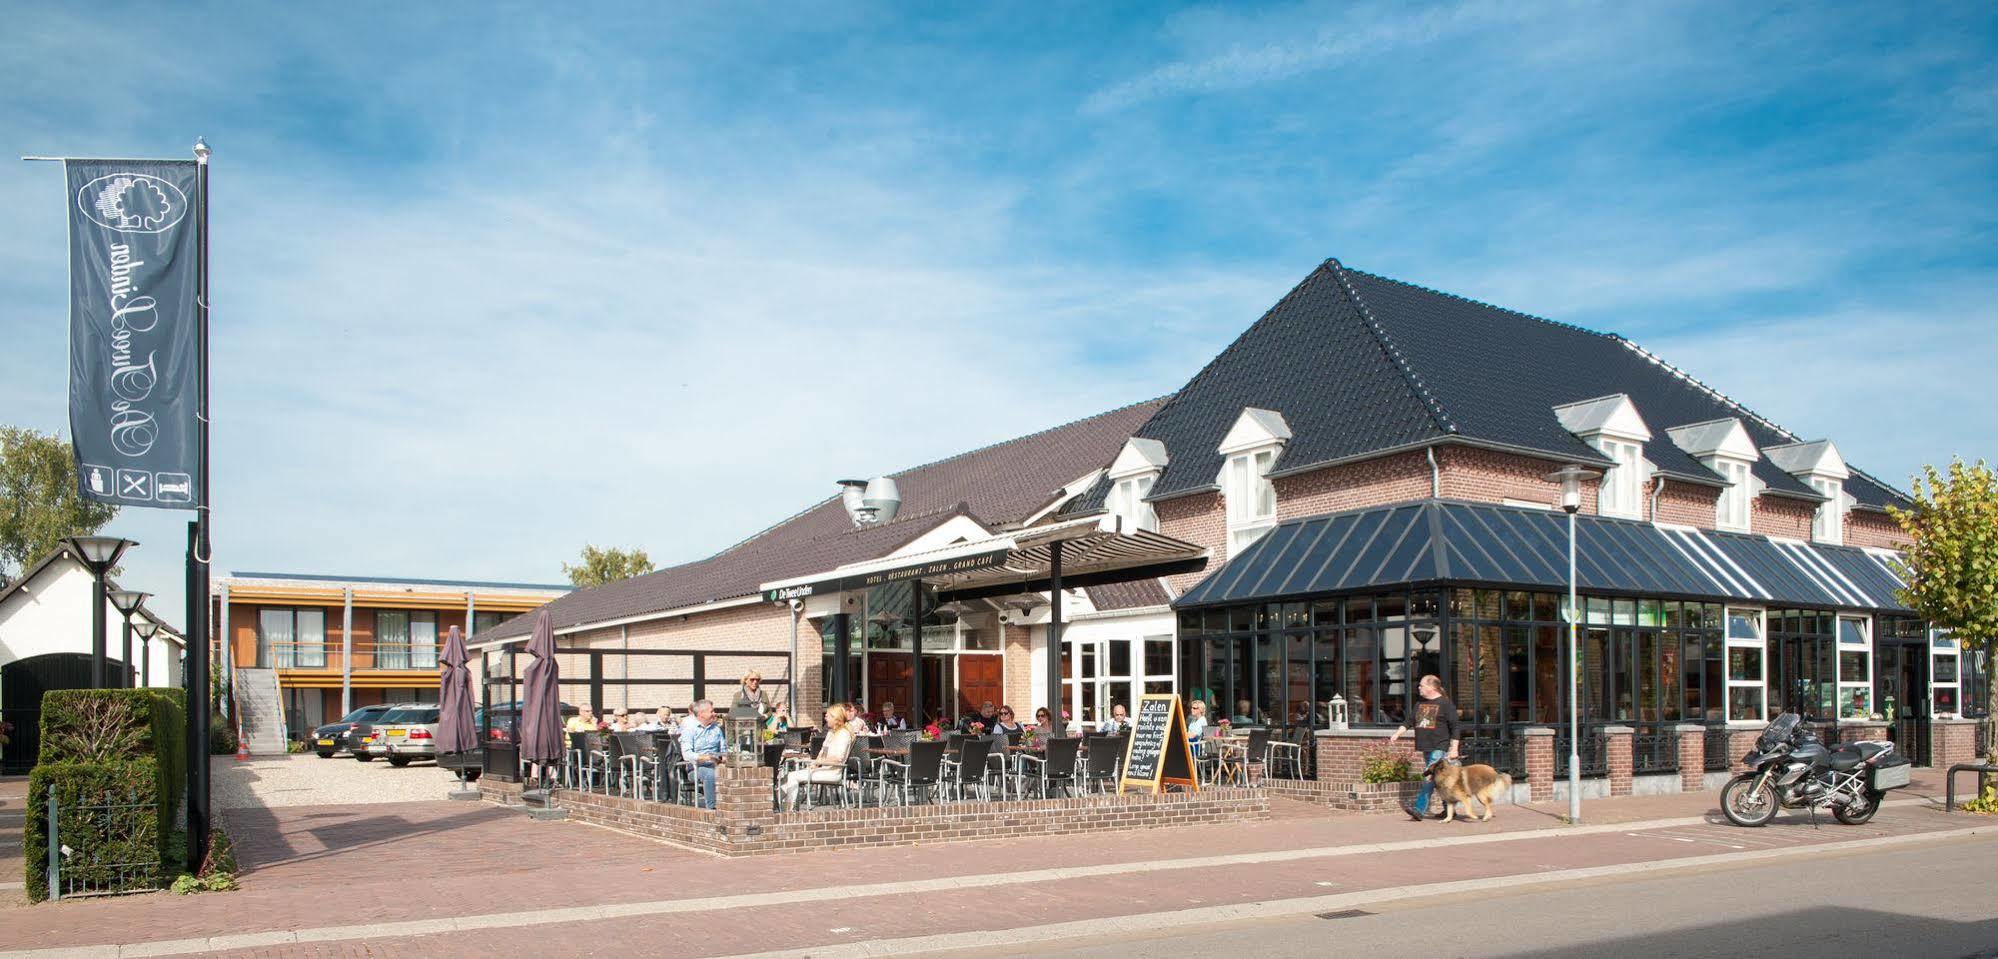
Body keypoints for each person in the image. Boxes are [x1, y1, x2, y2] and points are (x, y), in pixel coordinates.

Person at [1389, 674, 1461, 822]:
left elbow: (1455, 727)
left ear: (1431, 687)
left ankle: (1419, 810)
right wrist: (1397, 734)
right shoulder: (1419, 704)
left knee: (1429, 777)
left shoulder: (1445, 704)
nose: (1419, 688)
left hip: (1439, 747)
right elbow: (1408, 721)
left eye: (1421, 685)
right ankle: (1449, 810)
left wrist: (1454, 749)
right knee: (1438, 780)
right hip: (1425, 747)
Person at [780, 705, 856, 808]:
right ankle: (774, 802)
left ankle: (788, 809)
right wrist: (814, 763)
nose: (825, 718)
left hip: (832, 772)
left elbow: (838, 758)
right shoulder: (831, 732)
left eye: (827, 715)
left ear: (835, 718)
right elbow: (822, 752)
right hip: (823, 769)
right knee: (787, 777)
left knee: (792, 776)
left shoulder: (843, 734)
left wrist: (818, 762)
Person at [682, 700, 725, 809]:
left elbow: (724, 749)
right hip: (697, 767)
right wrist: (706, 758)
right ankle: (712, 808)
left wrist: (724, 757)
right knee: (710, 774)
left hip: (717, 764)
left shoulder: (716, 729)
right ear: (701, 714)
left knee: (733, 772)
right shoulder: (690, 730)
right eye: (711, 711)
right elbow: (687, 755)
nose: (714, 713)